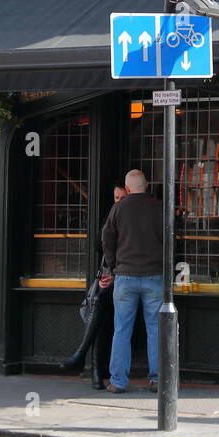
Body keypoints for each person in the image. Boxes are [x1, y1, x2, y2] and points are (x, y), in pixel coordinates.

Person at [102, 169, 164, 394]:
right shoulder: (159, 207)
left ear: (127, 189)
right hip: (155, 276)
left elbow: (106, 238)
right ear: (146, 186)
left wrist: (114, 265)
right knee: (156, 329)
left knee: (122, 330)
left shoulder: (119, 208)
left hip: (125, 277)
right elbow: (171, 239)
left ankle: (118, 381)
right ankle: (157, 379)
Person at [61, 181, 126, 389]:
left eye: (122, 198)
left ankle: (83, 356)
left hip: (124, 279)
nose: (118, 202)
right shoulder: (109, 219)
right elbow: (101, 247)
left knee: (101, 311)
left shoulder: (131, 219)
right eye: (116, 198)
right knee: (101, 318)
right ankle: (96, 372)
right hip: (107, 278)